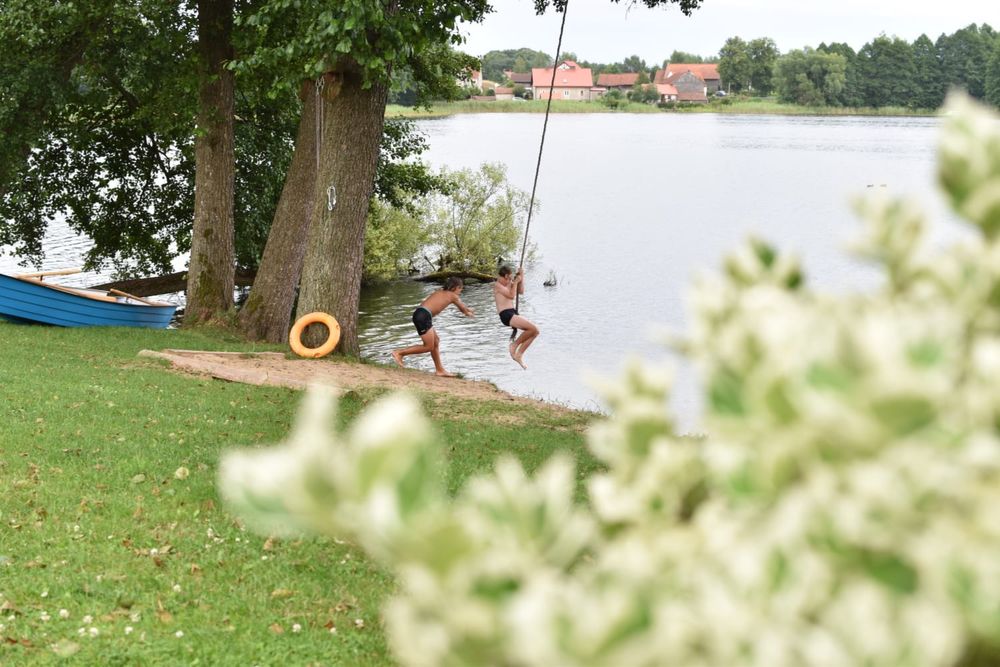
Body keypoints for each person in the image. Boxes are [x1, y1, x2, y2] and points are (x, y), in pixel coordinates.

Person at [392, 277, 474, 377]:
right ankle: (399, 353)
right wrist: (469, 312)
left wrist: (467, 310)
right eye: (461, 289)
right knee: (428, 346)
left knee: (435, 341)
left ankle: (440, 370)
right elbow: (463, 309)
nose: (460, 292)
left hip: (421, 313)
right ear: (456, 287)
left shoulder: (440, 291)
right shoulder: (453, 296)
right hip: (423, 316)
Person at [494, 265, 539, 369]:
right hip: (505, 314)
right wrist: (515, 283)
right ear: (505, 276)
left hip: (512, 313)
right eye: (509, 278)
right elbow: (511, 296)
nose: (509, 280)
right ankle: (514, 345)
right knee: (534, 328)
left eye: (510, 278)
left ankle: (519, 354)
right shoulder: (497, 285)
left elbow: (521, 291)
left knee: (535, 332)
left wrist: (521, 279)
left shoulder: (509, 283)